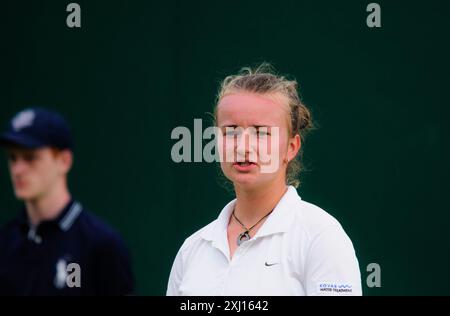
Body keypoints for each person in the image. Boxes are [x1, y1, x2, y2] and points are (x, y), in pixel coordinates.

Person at [167, 63, 362, 296]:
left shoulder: (321, 237)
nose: (243, 146)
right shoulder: (192, 249)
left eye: (261, 132)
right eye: (230, 131)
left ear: (291, 147)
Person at [0, 107, 134, 295]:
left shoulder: (101, 245)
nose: (18, 170)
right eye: (13, 158)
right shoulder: (6, 243)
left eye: (30, 158)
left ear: (64, 161)